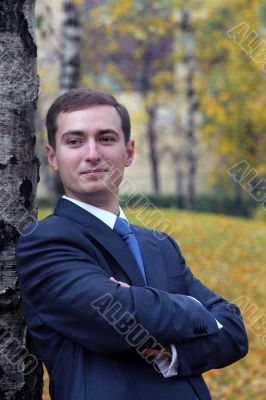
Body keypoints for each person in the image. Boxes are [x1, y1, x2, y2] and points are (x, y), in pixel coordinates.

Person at [16, 88, 248, 400]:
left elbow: (234, 331)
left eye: (106, 138)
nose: (92, 154)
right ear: (53, 157)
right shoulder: (46, 241)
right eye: (75, 141)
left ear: (128, 151)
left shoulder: (160, 245)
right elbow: (115, 316)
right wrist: (196, 309)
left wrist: (172, 355)